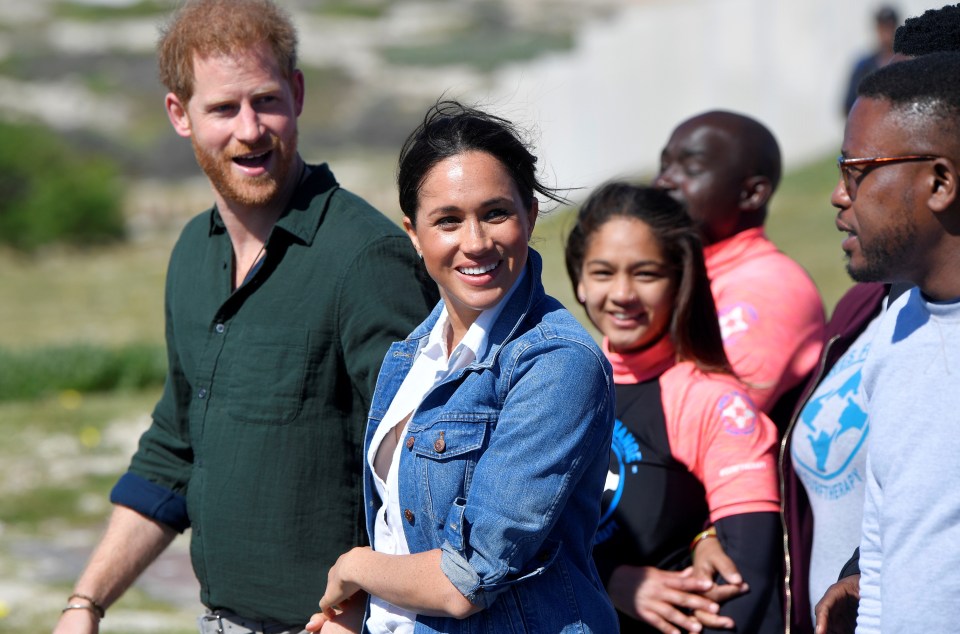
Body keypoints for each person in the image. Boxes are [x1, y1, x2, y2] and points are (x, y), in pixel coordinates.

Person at [53, 1, 438, 633]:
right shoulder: (190, 255)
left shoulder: (366, 259)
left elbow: (423, 466)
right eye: (223, 109)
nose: (251, 129)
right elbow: (174, 450)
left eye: (266, 101)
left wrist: (366, 601)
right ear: (179, 114)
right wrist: (86, 603)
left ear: (299, 93)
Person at [305, 100, 619, 633]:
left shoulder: (557, 363)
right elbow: (401, 532)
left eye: (495, 212)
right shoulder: (410, 355)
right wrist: (358, 612)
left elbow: (465, 578)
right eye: (447, 221)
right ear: (413, 233)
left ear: (530, 215)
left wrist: (354, 568)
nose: (475, 243)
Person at [564, 182, 783, 634]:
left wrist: (705, 536)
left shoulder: (711, 401)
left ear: (680, 280)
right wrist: (608, 578)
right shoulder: (558, 387)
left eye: (645, 274)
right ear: (580, 282)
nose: (623, 294)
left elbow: (747, 585)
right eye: (603, 273)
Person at [808, 9, 960, 632]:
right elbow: (885, 532)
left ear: (941, 180)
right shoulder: (898, 327)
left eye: (858, 171)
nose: (839, 195)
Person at [654, 111, 826, 428]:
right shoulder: (675, 274)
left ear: (751, 193)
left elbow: (715, 418)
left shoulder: (770, 286)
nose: (664, 180)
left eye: (691, 168)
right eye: (664, 165)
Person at [841, 6, 899, 115]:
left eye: (889, 28)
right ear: (877, 29)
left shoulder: (905, 63)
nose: (886, 34)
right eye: (883, 28)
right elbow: (848, 106)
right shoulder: (863, 67)